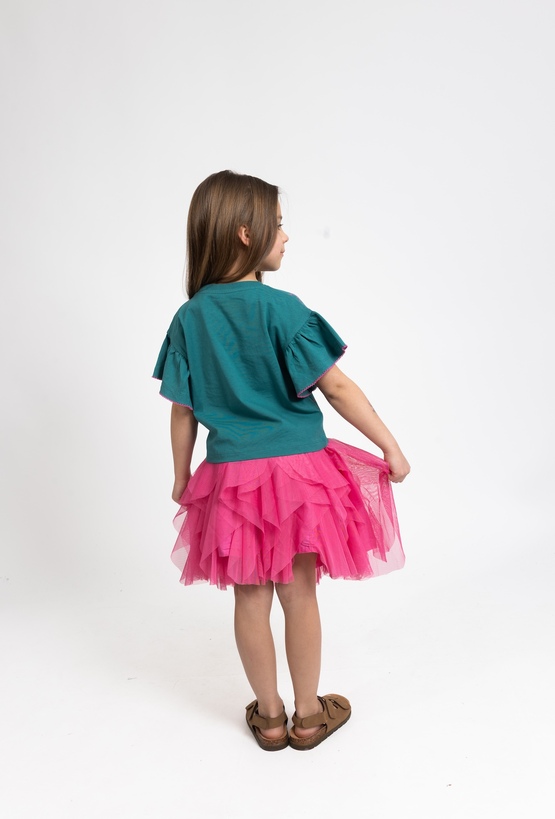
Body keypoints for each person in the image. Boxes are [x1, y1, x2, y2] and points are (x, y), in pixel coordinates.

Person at [153, 170, 410, 752]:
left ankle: (268, 719)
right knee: (299, 593)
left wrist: (181, 475)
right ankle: (309, 716)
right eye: (278, 224)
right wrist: (388, 445)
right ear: (245, 233)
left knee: (249, 597)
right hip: (297, 476)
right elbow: (336, 388)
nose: (287, 236)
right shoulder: (283, 309)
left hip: (232, 479)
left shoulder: (189, 319)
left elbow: (182, 410)